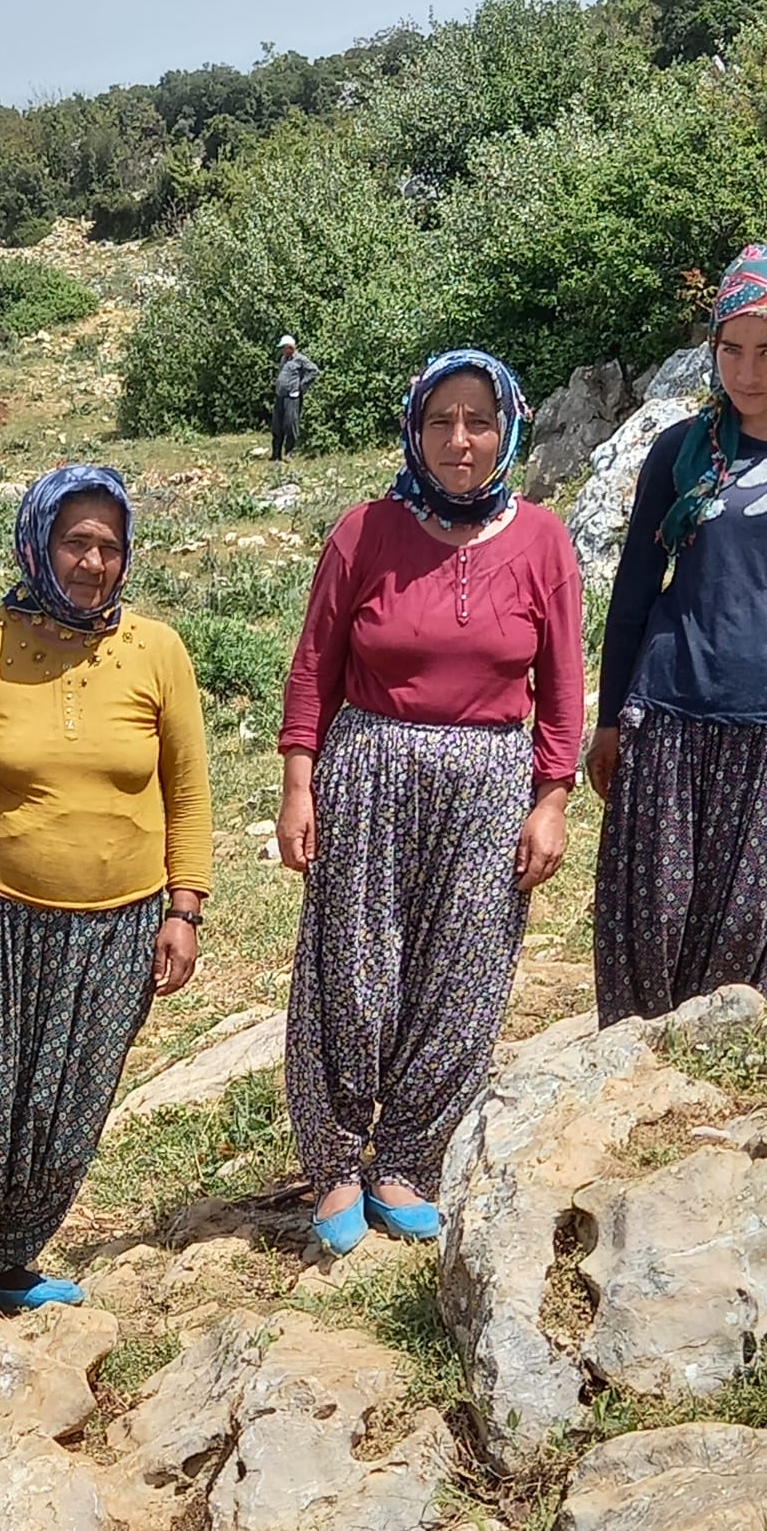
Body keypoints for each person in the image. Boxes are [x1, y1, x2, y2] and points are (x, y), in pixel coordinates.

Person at [277, 349, 583, 1254]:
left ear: (507, 431)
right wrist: (299, 785)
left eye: (478, 421)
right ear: (415, 428)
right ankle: (334, 1164)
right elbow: (312, 669)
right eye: (440, 420)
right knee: (351, 965)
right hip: (369, 767)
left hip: (491, 781)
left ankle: (406, 1155)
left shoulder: (543, 541)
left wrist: (552, 799)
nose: (460, 440)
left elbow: (563, 687)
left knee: (462, 971)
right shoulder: (364, 531)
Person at [0, 465, 212, 1318]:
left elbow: (189, 787)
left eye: (109, 547)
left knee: (73, 1105)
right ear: (36, 542)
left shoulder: (158, 651)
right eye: (75, 542)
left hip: (122, 923)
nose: (92, 562)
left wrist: (183, 907)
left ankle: (15, 1259)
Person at [591, 244, 767, 1026]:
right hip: (672, 702)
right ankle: (627, 1074)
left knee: (747, 916)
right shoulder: (680, 453)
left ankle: (711, 1069)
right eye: (732, 349)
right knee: (649, 911)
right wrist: (607, 719)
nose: (748, 371)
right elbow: (634, 592)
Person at [272, 336, 319, 461]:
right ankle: (276, 454)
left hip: (292, 397)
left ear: (290, 348)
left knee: (290, 425)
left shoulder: (300, 359)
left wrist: (301, 386)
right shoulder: (283, 359)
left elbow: (314, 371)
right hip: (280, 396)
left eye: (284, 348)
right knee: (277, 426)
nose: (282, 350)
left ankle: (289, 453)